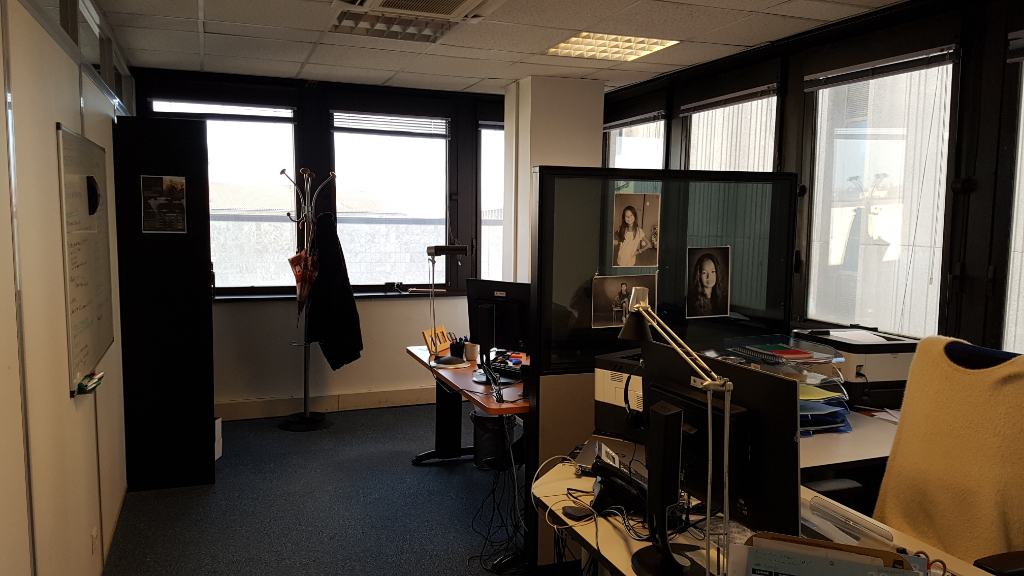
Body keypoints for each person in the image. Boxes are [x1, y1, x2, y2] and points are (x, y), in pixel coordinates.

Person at [687, 252, 727, 317]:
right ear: (698, 275)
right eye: (704, 273)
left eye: (712, 271)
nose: (709, 277)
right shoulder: (691, 303)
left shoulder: (723, 300)